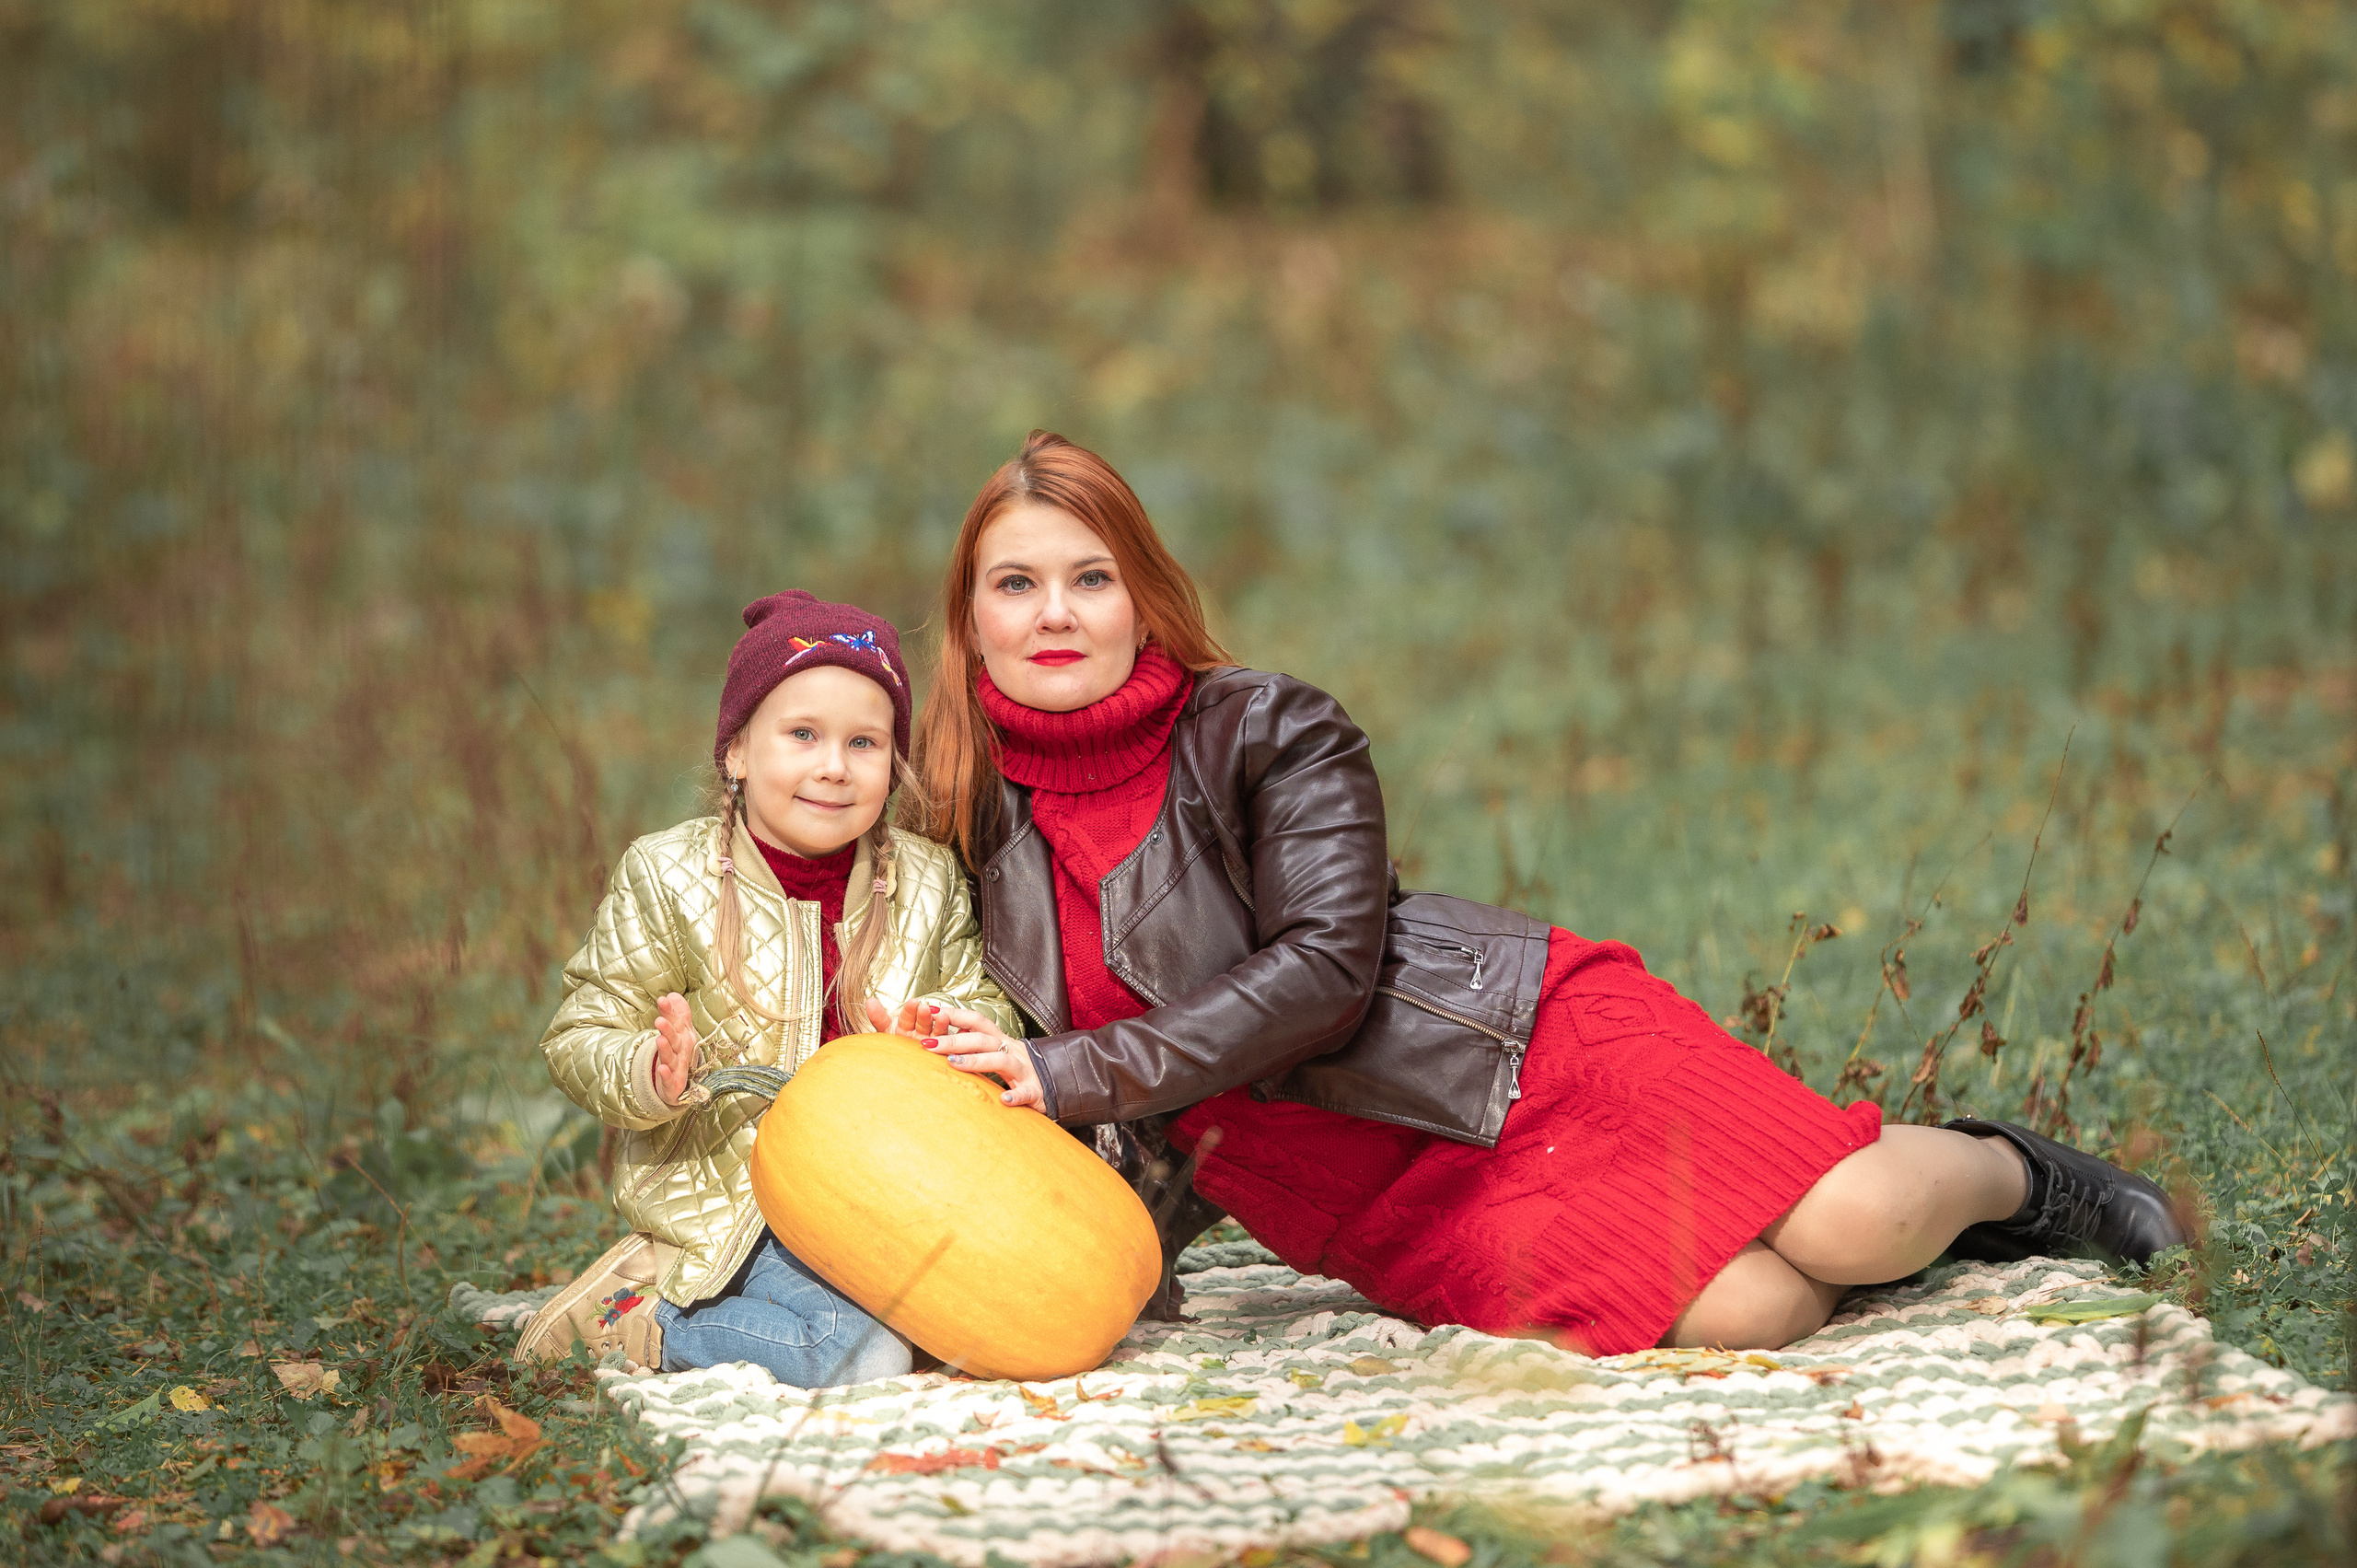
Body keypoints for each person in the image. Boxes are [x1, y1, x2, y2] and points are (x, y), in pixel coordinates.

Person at [900, 431, 2186, 1353]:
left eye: (1090, 575)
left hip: (1506, 1048)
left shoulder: (1267, 730)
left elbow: (1326, 970)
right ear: (969, 617)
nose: (1054, 612)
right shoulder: (960, 811)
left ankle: (2003, 1171)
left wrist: (1074, 1067)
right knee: (1755, 1313)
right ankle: (1844, 1218)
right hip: (1363, 1191)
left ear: (1144, 594)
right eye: (1016, 583)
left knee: (1862, 1213)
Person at [517, 592, 1022, 1384]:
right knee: (860, 1353)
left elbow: (985, 1007)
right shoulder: (668, 877)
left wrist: (941, 1031)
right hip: (739, 1195)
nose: (833, 765)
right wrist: (654, 1069)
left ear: (893, 763)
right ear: (738, 752)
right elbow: (578, 1035)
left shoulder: (926, 881)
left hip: (886, 1185)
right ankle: (641, 1320)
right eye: (803, 735)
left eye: (865, 741)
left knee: (995, 1325)